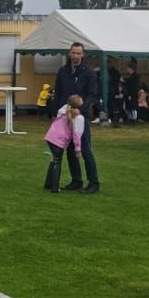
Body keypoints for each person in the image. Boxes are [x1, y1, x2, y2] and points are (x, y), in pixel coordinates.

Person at [53, 42, 100, 194]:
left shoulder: (89, 73)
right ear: (69, 53)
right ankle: (76, 180)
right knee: (70, 150)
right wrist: (55, 114)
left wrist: (81, 109)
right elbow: (58, 93)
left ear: (83, 54)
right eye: (73, 53)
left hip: (80, 117)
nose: (76, 56)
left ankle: (94, 182)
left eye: (79, 53)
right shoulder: (63, 71)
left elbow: (92, 95)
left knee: (85, 149)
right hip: (65, 117)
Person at [44, 94, 85, 193]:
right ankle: (54, 187)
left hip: (50, 136)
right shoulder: (79, 118)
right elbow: (76, 135)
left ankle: (48, 184)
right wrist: (78, 149)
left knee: (54, 160)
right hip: (60, 140)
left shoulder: (63, 110)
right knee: (57, 162)